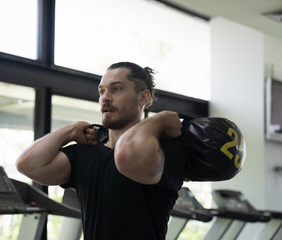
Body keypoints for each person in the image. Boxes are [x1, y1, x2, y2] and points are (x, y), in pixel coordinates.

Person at [16, 62, 185, 240]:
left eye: (116, 89)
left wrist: (159, 120)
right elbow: (27, 164)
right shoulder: (85, 154)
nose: (105, 97)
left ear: (143, 98)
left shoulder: (163, 153)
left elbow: (127, 153)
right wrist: (71, 131)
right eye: (102, 91)